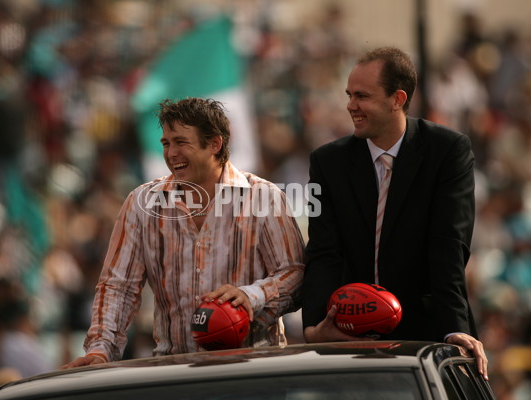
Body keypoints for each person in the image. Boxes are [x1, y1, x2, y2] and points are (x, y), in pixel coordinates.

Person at [62, 97, 304, 367]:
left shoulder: (264, 196)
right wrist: (101, 350)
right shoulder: (141, 202)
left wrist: (252, 295)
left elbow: (294, 272)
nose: (170, 153)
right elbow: (119, 287)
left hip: (254, 369)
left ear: (215, 144)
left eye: (181, 142)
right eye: (166, 143)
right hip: (175, 373)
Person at [301, 47, 489, 380]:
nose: (350, 105)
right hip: (348, 338)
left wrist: (453, 329)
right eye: (349, 95)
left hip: (426, 337)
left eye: (362, 96)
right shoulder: (326, 162)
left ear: (397, 98)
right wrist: (316, 326)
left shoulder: (447, 150)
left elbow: (449, 246)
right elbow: (323, 251)